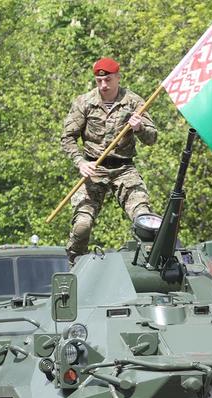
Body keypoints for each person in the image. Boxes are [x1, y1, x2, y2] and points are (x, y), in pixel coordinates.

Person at [61, 56, 159, 263]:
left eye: (108, 80)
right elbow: (67, 138)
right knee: (82, 225)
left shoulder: (133, 102)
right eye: (99, 81)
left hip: (124, 169)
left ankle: (151, 263)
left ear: (118, 78)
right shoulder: (84, 102)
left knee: (144, 218)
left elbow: (152, 138)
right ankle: (75, 263)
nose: (104, 85)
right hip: (93, 168)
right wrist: (80, 163)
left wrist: (139, 128)